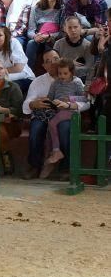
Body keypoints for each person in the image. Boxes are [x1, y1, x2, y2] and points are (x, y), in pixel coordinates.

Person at [23, 49, 90, 179]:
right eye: (48, 61)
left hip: (66, 112)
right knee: (36, 128)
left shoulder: (75, 81)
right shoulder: (38, 81)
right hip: (45, 113)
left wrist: (70, 104)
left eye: (55, 59)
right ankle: (34, 165)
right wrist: (34, 104)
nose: (53, 63)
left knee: (64, 128)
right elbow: (26, 105)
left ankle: (65, 167)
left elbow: (86, 102)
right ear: (43, 66)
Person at [38, 58, 86, 177]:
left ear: (71, 72)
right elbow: (50, 96)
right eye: (60, 73)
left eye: (65, 73)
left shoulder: (77, 82)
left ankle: (56, 152)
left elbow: (84, 99)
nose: (62, 76)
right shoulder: (55, 83)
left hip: (71, 111)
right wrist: (49, 100)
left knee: (52, 123)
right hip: (58, 110)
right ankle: (52, 156)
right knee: (50, 129)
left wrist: (70, 100)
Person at [0, 25, 34, 95]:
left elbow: (18, 68)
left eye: (0, 35)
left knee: (6, 86)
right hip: (0, 78)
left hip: (23, 76)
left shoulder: (13, 43)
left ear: (6, 36)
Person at [25, 0, 63, 71]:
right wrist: (35, 37)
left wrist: (50, 36)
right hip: (39, 38)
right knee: (31, 44)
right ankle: (27, 72)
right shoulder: (36, 8)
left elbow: (63, 32)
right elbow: (30, 30)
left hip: (54, 39)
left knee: (50, 47)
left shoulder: (62, 9)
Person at [53, 15, 95, 79]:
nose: (73, 30)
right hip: (61, 78)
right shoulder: (58, 44)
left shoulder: (88, 45)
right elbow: (54, 63)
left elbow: (89, 67)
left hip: (81, 78)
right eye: (69, 27)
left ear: (81, 27)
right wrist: (70, 63)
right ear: (64, 29)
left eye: (75, 27)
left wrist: (64, 65)